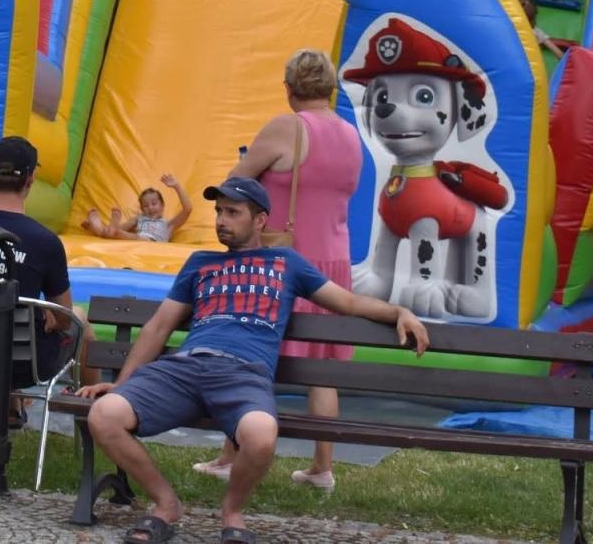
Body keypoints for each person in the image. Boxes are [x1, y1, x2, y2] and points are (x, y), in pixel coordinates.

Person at [78, 178, 428, 544]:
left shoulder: (286, 263)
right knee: (105, 415)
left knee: (260, 437)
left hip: (243, 373)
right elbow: (158, 327)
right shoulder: (200, 263)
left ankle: (232, 512)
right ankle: (166, 505)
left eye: (232, 212)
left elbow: (349, 302)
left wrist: (399, 311)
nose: (220, 220)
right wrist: (123, 384)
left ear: (260, 220)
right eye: (218, 212)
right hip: (186, 367)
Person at [194, 48, 363, 490]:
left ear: (289, 89)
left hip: (282, 259)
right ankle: (322, 467)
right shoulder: (349, 133)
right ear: (331, 88)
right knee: (324, 365)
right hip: (334, 260)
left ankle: (232, 455)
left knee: (251, 349)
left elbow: (236, 183)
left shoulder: (287, 127)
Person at [0, 135, 96, 421]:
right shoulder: (45, 242)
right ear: (31, 179)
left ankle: (11, 407)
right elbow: (62, 320)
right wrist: (53, 315)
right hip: (24, 364)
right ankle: (92, 415)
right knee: (79, 317)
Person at [82, 175, 193, 242]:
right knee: (113, 232)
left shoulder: (168, 225)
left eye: (154, 203)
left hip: (152, 244)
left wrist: (176, 186)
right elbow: (123, 228)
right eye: (145, 205)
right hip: (136, 239)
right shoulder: (140, 219)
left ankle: (96, 227)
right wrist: (117, 228)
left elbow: (187, 209)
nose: (150, 207)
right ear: (142, 209)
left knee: (117, 233)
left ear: (162, 205)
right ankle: (98, 227)